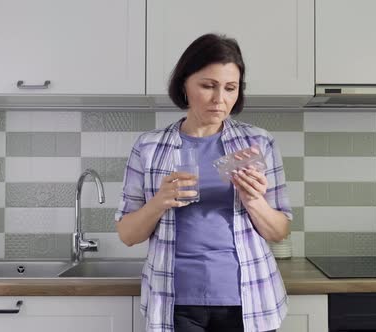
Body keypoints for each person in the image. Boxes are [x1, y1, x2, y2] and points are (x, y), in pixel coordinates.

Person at [115, 33, 292, 332]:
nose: (219, 99)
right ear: (184, 84)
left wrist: (253, 200)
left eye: (230, 88)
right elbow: (128, 234)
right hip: (175, 302)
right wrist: (160, 201)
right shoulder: (149, 147)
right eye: (208, 86)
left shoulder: (256, 143)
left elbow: (279, 231)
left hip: (249, 300)